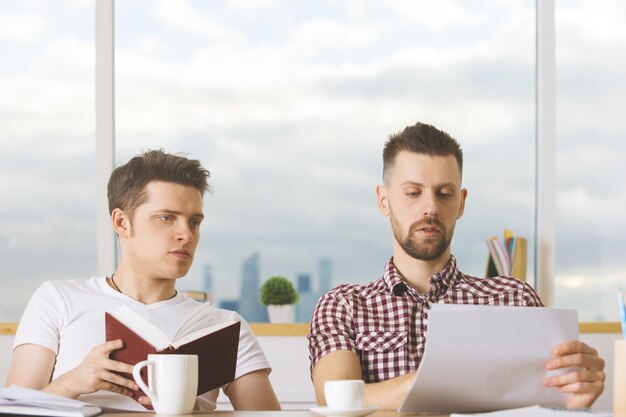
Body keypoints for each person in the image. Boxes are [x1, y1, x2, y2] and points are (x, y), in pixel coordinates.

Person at [307, 122, 605, 410]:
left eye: (444, 193)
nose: (431, 208)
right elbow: (336, 400)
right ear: (383, 200)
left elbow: (546, 402)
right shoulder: (343, 305)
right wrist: (449, 382)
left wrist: (572, 400)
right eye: (413, 193)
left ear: (461, 203)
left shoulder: (514, 299)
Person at [6, 150, 281, 411]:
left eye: (194, 222)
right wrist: (75, 381)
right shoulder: (58, 300)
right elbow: (14, 411)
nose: (186, 234)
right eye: (166, 218)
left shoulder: (224, 327)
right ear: (122, 223)